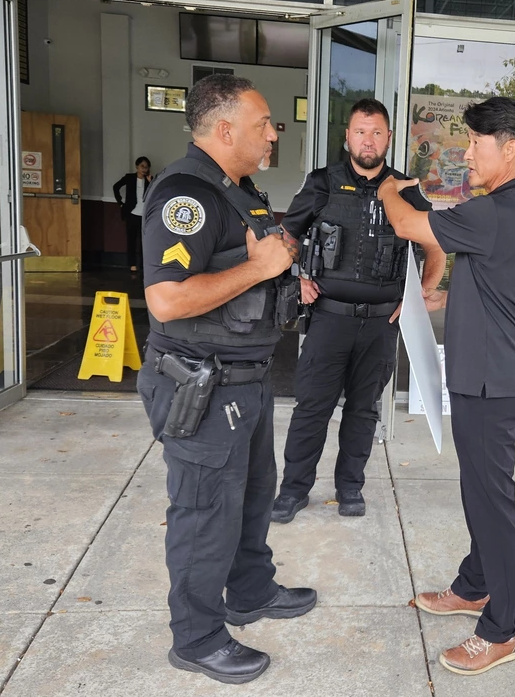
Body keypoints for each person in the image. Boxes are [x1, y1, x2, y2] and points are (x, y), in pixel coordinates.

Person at [137, 74, 316, 685]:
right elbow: (165, 299)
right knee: (204, 509)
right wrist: (261, 266)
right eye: (264, 123)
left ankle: (248, 590)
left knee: (251, 495)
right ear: (224, 129)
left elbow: (245, 267)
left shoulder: (239, 190)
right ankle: (197, 636)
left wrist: (284, 277)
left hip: (244, 380)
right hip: (201, 384)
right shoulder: (186, 196)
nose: (273, 134)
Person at [378, 97, 515, 676]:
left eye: (476, 142)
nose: (467, 152)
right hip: (492, 373)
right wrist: (450, 297)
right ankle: (474, 585)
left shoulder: (496, 210)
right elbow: (504, 287)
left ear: (509, 148)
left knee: (492, 500)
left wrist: (385, 186)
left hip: (491, 380)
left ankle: (501, 627)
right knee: (481, 488)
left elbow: (407, 223)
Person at [270, 99, 446, 522]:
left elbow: (435, 244)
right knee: (312, 408)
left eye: (376, 132)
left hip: (382, 322)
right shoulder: (322, 182)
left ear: (388, 138)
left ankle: (350, 488)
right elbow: (285, 236)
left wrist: (421, 293)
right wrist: (294, 279)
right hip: (329, 317)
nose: (368, 140)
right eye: (360, 132)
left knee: (363, 410)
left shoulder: (407, 188)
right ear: (347, 137)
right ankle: (294, 490)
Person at [113, 156, 152, 271]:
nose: (144, 169)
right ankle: (132, 264)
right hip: (132, 213)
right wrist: (120, 203)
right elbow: (116, 187)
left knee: (144, 242)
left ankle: (143, 264)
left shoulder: (150, 179)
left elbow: (154, 194)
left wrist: (150, 182)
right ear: (137, 166)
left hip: (145, 215)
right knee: (131, 240)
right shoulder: (129, 178)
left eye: (146, 167)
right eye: (142, 166)